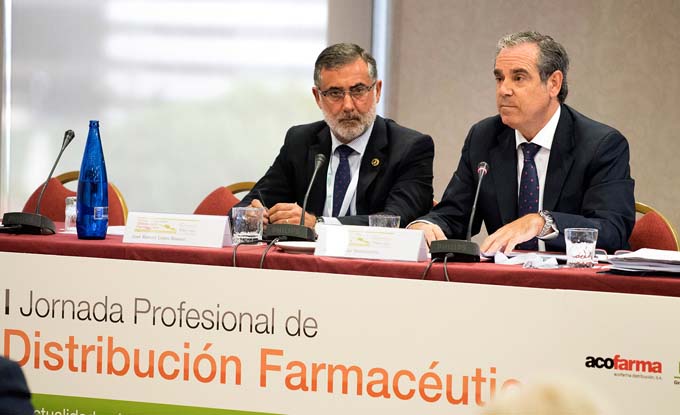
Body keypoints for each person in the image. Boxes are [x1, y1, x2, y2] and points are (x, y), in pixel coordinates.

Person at [409, 31, 634, 253]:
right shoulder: (483, 137)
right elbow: (455, 214)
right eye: (499, 78)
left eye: (518, 78)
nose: (504, 90)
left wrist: (541, 223)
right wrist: (427, 226)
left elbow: (612, 229)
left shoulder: (601, 145)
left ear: (554, 84)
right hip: (506, 274)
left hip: (574, 275)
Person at [237, 43, 434, 228]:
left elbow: (396, 220)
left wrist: (319, 224)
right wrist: (253, 215)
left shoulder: (410, 148)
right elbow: (251, 203)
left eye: (358, 90)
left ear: (377, 91)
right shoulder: (300, 141)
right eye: (335, 93)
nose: (348, 106)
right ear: (318, 97)